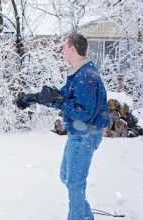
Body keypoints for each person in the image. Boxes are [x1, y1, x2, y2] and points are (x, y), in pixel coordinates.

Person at [16, 33, 110, 220]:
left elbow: (83, 112)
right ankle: (86, 217)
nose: (61, 50)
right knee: (66, 177)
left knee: (75, 183)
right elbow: (62, 97)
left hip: (85, 135)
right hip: (78, 133)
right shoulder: (78, 73)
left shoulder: (87, 76)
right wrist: (34, 98)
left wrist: (60, 102)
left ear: (73, 49)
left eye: (64, 47)